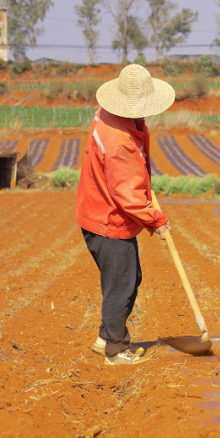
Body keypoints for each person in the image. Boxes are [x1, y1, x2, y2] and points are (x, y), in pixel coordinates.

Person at [75, 64, 175, 365]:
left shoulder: (107, 115)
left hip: (96, 209)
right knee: (122, 284)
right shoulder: (120, 142)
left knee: (127, 279)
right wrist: (156, 220)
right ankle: (116, 350)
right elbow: (126, 194)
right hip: (108, 219)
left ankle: (106, 336)